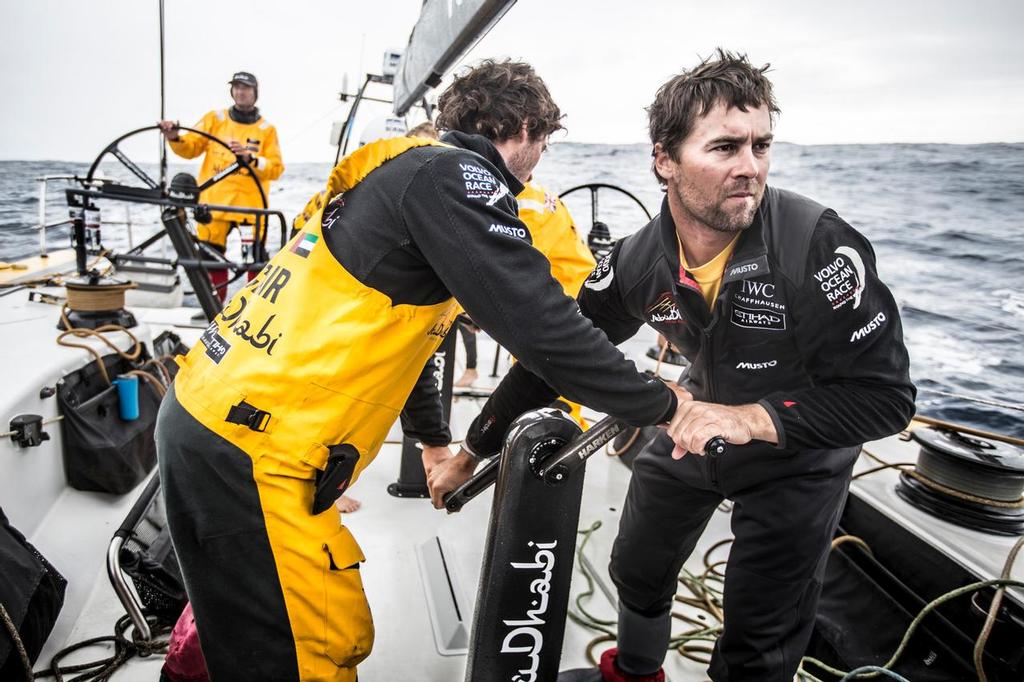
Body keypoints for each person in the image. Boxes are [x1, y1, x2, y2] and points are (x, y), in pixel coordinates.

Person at [156, 59, 690, 682]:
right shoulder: (456, 177)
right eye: (542, 144)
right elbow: (546, 328)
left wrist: (447, 445)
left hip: (224, 421)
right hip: (253, 449)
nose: (538, 165)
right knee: (315, 652)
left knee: (277, 631)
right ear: (522, 126)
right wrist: (667, 405)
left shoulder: (404, 170)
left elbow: (407, 344)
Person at [427, 49, 916, 682]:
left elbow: (886, 399)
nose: (750, 169)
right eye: (724, 148)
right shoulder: (636, 260)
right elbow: (554, 355)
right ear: (664, 159)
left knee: (760, 629)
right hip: (695, 426)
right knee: (637, 564)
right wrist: (472, 451)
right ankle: (633, 672)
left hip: (799, 450)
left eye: (761, 146)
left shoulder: (817, 246)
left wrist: (750, 419)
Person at [158, 71, 284, 301]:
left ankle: (251, 312)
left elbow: (276, 168)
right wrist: (175, 137)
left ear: (255, 93)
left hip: (250, 207)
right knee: (211, 259)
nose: (240, 92)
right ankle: (212, 308)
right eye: (236, 87)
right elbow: (191, 148)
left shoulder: (267, 129)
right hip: (213, 206)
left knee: (255, 261)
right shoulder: (214, 119)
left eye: (245, 88)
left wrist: (250, 158)